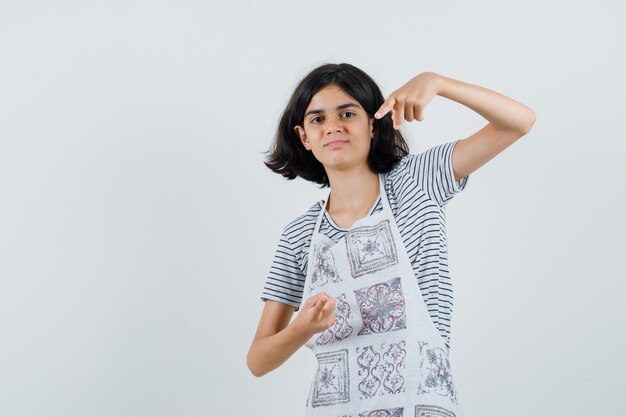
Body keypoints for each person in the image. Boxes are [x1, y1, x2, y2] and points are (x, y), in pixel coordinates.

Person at [247, 63, 535, 417]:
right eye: (317, 119)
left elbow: (519, 121)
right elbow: (258, 360)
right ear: (304, 137)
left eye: (347, 113)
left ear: (372, 123)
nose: (333, 127)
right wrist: (303, 327)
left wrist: (438, 82)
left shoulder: (418, 182)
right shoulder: (299, 235)